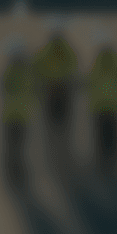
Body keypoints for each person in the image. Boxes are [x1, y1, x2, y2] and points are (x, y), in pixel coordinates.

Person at [33, 16, 79, 152]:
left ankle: (57, 144)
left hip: (57, 88)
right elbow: (72, 63)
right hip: (57, 88)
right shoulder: (61, 49)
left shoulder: (54, 49)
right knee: (59, 118)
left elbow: (38, 66)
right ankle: (59, 144)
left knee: (56, 118)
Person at [87, 28, 117, 176]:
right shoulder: (116, 59)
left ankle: (104, 163)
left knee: (101, 136)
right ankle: (113, 163)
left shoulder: (99, 60)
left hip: (100, 106)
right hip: (114, 106)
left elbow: (92, 79)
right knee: (113, 136)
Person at [0, 36, 35, 189]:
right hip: (19, 116)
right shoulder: (22, 72)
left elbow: (5, 87)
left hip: (15, 116)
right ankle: (17, 175)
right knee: (17, 147)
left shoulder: (15, 70)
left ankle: (15, 175)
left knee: (14, 147)